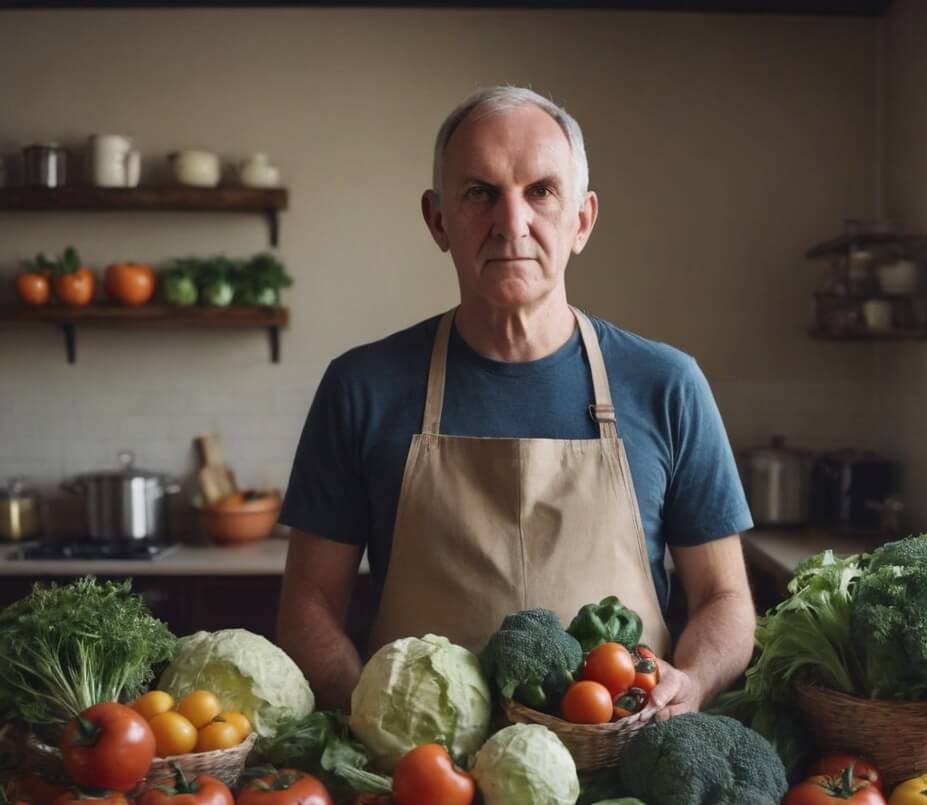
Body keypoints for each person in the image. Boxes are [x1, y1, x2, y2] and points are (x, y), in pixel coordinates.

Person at [277, 85, 755, 719]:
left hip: (626, 774)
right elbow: (307, 602)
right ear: (437, 219)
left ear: (581, 220)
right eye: (479, 192)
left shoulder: (667, 383)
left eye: (541, 191)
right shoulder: (361, 386)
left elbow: (725, 597)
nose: (511, 222)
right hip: (422, 790)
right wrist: (372, 717)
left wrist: (691, 684)